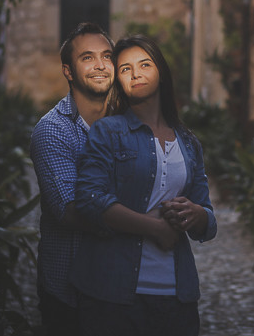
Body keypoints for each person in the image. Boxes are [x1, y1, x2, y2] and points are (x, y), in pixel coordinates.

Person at [71, 34, 217, 336]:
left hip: (177, 296)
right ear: (118, 82)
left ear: (160, 72)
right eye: (125, 69)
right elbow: (89, 199)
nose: (136, 74)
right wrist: (155, 228)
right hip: (112, 295)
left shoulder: (189, 143)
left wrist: (197, 214)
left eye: (145, 64)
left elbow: (208, 218)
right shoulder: (107, 132)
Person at [30, 22, 115, 336]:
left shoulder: (128, 123)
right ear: (67, 71)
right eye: (87, 58)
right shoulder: (52, 131)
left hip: (119, 289)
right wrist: (146, 223)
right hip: (69, 294)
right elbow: (69, 212)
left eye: (107, 56)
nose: (100, 65)